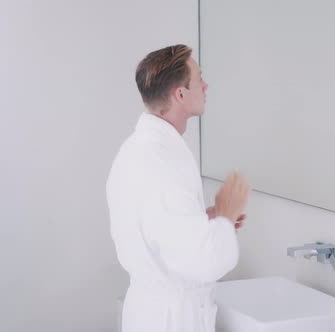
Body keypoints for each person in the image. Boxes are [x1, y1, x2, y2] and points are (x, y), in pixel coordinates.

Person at [106, 44, 250, 332]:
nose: (206, 85)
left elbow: (156, 228)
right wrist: (224, 216)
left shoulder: (137, 149)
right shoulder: (163, 163)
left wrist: (204, 222)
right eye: (199, 78)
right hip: (171, 320)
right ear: (180, 94)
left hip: (149, 311)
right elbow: (207, 262)